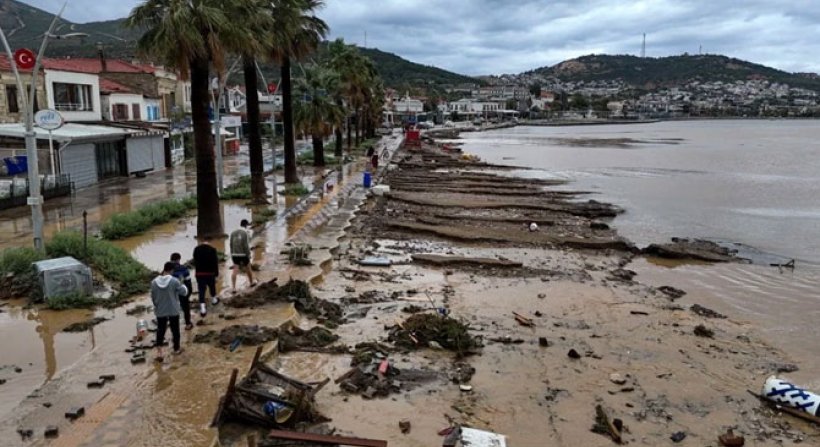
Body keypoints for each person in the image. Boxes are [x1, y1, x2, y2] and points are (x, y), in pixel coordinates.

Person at [151, 262, 188, 361]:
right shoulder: (175, 281)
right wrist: (182, 283)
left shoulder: (154, 282)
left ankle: (159, 352)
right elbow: (184, 292)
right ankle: (176, 349)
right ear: (172, 270)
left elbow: (153, 298)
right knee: (175, 330)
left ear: (164, 269)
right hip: (173, 309)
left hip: (160, 310)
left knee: (161, 330)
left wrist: (157, 306)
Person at [192, 239, 220, 316]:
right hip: (210, 273)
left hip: (199, 273)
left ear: (201, 242)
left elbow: (195, 261)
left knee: (201, 290)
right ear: (209, 242)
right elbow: (215, 263)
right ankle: (214, 299)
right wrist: (216, 273)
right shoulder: (212, 250)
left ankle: (203, 308)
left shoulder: (196, 249)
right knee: (212, 286)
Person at [229, 219, 256, 291]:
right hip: (243, 254)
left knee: (235, 270)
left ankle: (233, 288)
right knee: (248, 268)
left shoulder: (233, 232)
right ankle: (251, 282)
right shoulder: (245, 233)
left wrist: (232, 254)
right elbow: (246, 245)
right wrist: (249, 254)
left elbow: (231, 244)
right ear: (246, 225)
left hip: (235, 254)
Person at [169, 253, 193, 330]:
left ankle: (173, 326)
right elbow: (188, 283)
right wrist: (188, 294)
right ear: (179, 259)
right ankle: (188, 324)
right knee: (186, 307)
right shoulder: (184, 268)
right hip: (182, 292)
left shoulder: (167, 270)